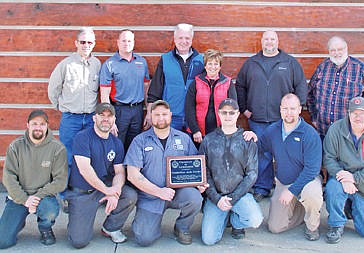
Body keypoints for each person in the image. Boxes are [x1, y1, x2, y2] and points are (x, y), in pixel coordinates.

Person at [236, 30, 308, 202]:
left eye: (272, 39)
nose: (269, 42)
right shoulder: (251, 63)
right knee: (263, 154)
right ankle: (262, 187)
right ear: (261, 41)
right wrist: (244, 108)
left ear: (277, 41)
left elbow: (300, 86)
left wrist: (296, 108)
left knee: (288, 153)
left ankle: (292, 187)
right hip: (258, 119)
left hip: (283, 120)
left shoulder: (289, 62)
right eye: (266, 39)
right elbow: (240, 86)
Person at [125, 100, 205, 246]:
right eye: (157, 115)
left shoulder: (183, 138)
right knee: (144, 239)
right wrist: (158, 191)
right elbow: (132, 175)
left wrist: (200, 183)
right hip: (150, 197)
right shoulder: (140, 141)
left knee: (195, 198)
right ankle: (145, 223)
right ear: (150, 116)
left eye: (164, 114)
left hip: (176, 193)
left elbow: (196, 167)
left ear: (170, 115)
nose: (161, 118)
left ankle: (181, 227)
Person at [65, 103, 137, 248]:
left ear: (114, 119)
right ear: (94, 118)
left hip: (103, 188)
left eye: (109, 116)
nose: (105, 119)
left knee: (129, 195)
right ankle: (76, 221)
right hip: (83, 192)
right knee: (79, 242)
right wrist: (107, 191)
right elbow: (85, 169)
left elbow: (119, 172)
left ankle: (111, 227)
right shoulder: (83, 137)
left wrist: (115, 190)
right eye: (101, 115)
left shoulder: (116, 143)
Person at [323, 96, 364, 244]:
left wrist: (354, 178)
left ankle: (350, 207)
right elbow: (329, 158)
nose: (358, 117)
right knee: (333, 188)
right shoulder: (336, 129)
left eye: (362, 113)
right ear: (348, 113)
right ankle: (336, 224)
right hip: (341, 180)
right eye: (354, 113)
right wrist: (342, 176)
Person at [48, 27, 101, 211]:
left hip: (91, 118)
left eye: (90, 42)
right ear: (76, 43)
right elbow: (53, 90)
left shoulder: (97, 64)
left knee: (89, 157)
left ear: (94, 44)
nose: (86, 45)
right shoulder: (66, 65)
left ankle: (89, 192)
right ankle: (64, 196)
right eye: (83, 42)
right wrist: (62, 108)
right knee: (68, 158)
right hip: (71, 118)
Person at [259, 94, 323, 241]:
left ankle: (312, 226)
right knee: (275, 227)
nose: (289, 113)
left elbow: (312, 170)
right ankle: (300, 210)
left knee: (312, 194)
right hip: (284, 181)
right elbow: (259, 147)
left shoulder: (309, 134)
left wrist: (291, 191)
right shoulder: (272, 130)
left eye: (293, 109)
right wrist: (250, 137)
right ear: (280, 110)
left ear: (299, 110)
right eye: (285, 109)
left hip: (308, 181)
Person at [199, 98, 263, 245]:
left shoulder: (247, 140)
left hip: (240, 195)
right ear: (219, 114)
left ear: (237, 114)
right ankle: (223, 217)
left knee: (255, 219)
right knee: (209, 240)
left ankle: (236, 222)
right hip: (217, 197)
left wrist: (233, 198)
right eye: (224, 112)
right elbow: (205, 173)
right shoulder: (208, 140)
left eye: (231, 113)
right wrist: (216, 198)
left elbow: (252, 174)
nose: (228, 116)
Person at [0, 110, 68, 248]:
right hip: (19, 197)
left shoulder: (57, 148)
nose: (38, 127)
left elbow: (60, 181)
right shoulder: (16, 146)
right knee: (3, 242)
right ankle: (18, 221)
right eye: (34, 124)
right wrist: (25, 200)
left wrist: (36, 197)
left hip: (43, 198)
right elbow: (8, 178)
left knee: (49, 209)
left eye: (42, 124)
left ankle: (45, 228)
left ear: (47, 126)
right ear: (28, 125)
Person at [307, 36, 364, 139]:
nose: (337, 53)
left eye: (340, 49)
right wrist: (314, 117)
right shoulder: (322, 67)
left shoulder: (360, 68)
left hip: (348, 136)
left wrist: (362, 127)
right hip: (323, 133)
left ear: (346, 49)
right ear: (329, 51)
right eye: (333, 50)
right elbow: (310, 94)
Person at [146, 23, 204, 131]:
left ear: (192, 39)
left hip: (194, 118)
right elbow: (154, 91)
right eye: (180, 38)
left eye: (187, 38)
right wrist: (149, 113)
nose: (183, 41)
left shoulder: (201, 60)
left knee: (192, 148)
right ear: (175, 39)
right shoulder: (165, 60)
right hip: (170, 117)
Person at [100, 29, 150, 151]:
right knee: (116, 145)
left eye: (129, 41)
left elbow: (146, 90)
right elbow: (104, 95)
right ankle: (116, 170)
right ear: (118, 42)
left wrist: (148, 111)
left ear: (133, 43)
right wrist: (110, 118)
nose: (126, 43)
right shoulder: (109, 64)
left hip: (138, 110)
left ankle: (131, 170)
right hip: (119, 110)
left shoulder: (142, 62)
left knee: (135, 145)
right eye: (123, 41)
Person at [185, 49, 237, 146]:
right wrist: (195, 130)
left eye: (216, 64)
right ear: (205, 65)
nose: (213, 67)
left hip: (221, 132)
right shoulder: (196, 82)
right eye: (210, 63)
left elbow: (233, 109)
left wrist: (227, 131)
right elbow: (189, 108)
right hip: (199, 133)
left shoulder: (227, 83)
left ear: (220, 66)